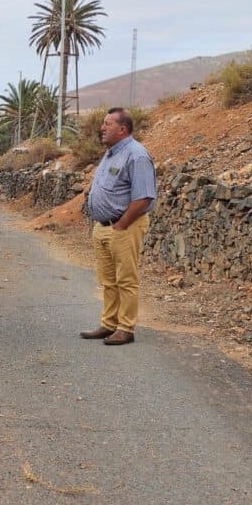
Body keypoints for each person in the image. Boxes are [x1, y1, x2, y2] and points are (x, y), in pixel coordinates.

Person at [80, 107, 157, 346]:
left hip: (124, 226)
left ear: (123, 129)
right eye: (103, 123)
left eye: (108, 124)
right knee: (109, 280)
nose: (102, 128)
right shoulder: (111, 153)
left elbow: (144, 197)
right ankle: (109, 324)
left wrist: (121, 225)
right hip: (104, 227)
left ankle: (126, 328)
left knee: (126, 280)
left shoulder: (137, 155)